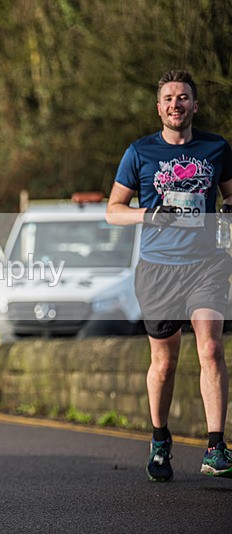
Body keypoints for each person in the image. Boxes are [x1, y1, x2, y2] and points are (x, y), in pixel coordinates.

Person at [106, 70, 232, 482]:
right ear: (159, 108)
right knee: (164, 362)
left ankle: (216, 447)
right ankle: (160, 438)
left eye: (183, 98)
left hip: (206, 264)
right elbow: (113, 210)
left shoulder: (217, 148)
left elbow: (230, 195)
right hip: (158, 269)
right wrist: (150, 213)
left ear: (195, 105)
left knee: (210, 348)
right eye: (168, 99)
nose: (176, 104)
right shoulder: (139, 152)